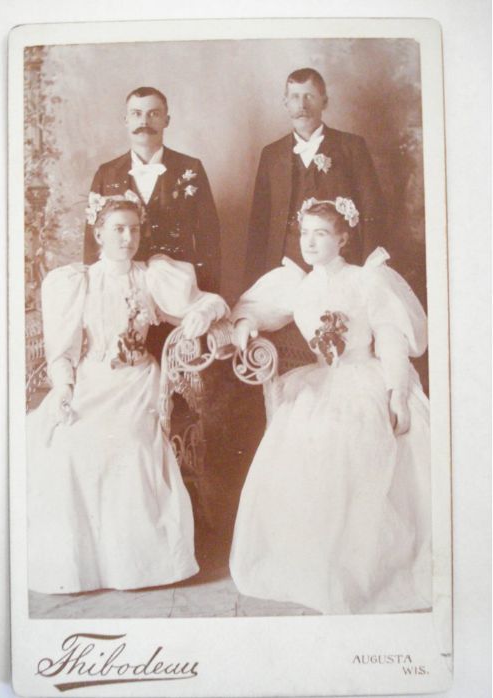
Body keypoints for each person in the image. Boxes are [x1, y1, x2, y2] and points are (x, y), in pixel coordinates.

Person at [229, 197, 431, 615]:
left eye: (321, 233)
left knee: (351, 436)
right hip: (322, 380)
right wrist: (247, 324)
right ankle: (313, 559)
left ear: (342, 237)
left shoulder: (365, 279)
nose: (310, 242)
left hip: (365, 376)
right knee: (305, 432)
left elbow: (390, 334)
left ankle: (361, 566)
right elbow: (259, 310)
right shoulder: (297, 285)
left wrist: (396, 391)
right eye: (304, 233)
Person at [27, 192, 228, 594]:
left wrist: (202, 314)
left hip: (138, 382)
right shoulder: (78, 281)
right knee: (69, 443)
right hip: (93, 379)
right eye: (117, 229)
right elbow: (63, 351)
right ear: (98, 232)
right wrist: (65, 387)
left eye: (134, 229)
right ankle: (85, 567)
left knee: (132, 445)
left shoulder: (151, 276)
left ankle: (137, 566)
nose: (127, 238)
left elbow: (208, 304)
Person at [244, 68, 386, 287]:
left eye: (309, 96)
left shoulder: (351, 147)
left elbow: (372, 209)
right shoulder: (271, 154)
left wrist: (368, 270)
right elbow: (260, 222)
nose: (302, 105)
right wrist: (254, 282)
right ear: (285, 103)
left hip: (341, 264)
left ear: (324, 102)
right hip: (286, 266)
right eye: (295, 97)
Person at [84, 86, 221, 293]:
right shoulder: (107, 173)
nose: (144, 122)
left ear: (167, 120)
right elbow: (93, 239)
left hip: (178, 286)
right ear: (126, 120)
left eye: (153, 114)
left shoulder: (191, 168)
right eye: (136, 114)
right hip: (123, 286)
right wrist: (95, 292)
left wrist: (206, 294)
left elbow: (208, 237)